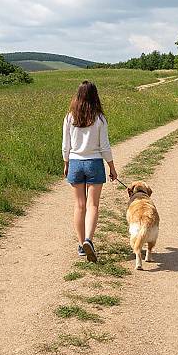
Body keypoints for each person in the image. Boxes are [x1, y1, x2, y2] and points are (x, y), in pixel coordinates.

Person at [62, 80, 117, 262]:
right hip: (94, 163)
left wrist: (66, 162)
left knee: (79, 206)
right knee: (93, 205)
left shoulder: (70, 117)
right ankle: (88, 240)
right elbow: (105, 147)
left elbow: (66, 145)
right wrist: (111, 167)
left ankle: (80, 245)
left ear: (78, 95)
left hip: (76, 163)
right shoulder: (100, 118)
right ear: (95, 96)